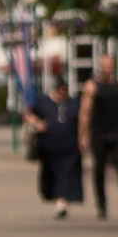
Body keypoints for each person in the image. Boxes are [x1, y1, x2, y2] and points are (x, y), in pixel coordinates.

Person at [81, 59, 118, 221]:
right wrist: (82, 136)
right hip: (99, 133)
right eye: (104, 67)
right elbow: (85, 112)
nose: (106, 70)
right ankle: (102, 206)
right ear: (100, 68)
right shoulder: (91, 86)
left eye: (109, 67)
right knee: (99, 170)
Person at [30, 66, 83, 218]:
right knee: (52, 173)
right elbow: (30, 115)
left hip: (69, 145)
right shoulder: (44, 102)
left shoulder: (73, 103)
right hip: (49, 146)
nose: (63, 93)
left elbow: (83, 120)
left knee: (65, 172)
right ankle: (57, 198)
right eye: (60, 89)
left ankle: (62, 201)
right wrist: (37, 123)